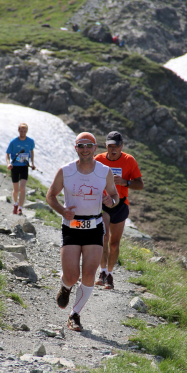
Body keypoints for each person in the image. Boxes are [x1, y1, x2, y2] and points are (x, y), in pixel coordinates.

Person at [46, 132, 119, 332]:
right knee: (71, 275)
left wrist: (110, 201)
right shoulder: (66, 171)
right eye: (81, 145)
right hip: (72, 227)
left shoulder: (104, 171)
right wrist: (62, 211)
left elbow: (115, 196)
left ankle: (74, 314)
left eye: (89, 145)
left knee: (89, 274)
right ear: (75, 148)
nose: (85, 149)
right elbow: (50, 195)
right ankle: (66, 286)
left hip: (94, 227)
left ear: (95, 148)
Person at [94, 131, 144, 289]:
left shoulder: (129, 160)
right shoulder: (99, 160)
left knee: (114, 244)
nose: (113, 149)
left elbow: (140, 185)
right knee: (103, 236)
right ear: (106, 146)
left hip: (120, 205)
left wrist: (125, 182)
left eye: (116, 146)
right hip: (102, 204)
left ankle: (110, 274)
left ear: (121, 146)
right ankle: (102, 272)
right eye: (110, 146)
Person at [6, 123, 36, 216]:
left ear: (26, 131)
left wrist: (32, 163)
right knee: (16, 190)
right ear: (18, 131)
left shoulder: (30, 141)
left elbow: (31, 151)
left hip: (24, 167)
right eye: (21, 131)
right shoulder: (13, 141)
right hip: (15, 167)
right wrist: (8, 163)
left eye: (24, 131)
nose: (23, 133)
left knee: (22, 188)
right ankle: (15, 203)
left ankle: (20, 208)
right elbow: (7, 154)